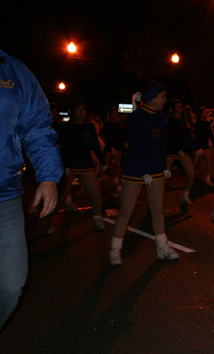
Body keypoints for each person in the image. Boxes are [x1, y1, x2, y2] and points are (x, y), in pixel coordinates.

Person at [0, 49, 62, 330]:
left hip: (5, 196)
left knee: (10, 286)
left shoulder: (13, 70)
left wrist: (48, 177)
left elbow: (37, 128)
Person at [109, 82, 179, 265]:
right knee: (126, 212)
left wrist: (163, 166)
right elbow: (135, 148)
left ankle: (162, 247)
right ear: (153, 97)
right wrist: (143, 171)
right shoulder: (135, 117)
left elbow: (160, 144)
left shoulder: (161, 117)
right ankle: (115, 250)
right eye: (163, 96)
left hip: (155, 169)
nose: (165, 100)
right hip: (135, 169)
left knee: (157, 211)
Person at [57, 101, 106, 231]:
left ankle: (97, 219)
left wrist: (103, 161)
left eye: (83, 109)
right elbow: (63, 147)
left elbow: (95, 144)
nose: (82, 111)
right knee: (61, 195)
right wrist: (65, 164)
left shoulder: (89, 126)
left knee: (96, 195)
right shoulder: (67, 127)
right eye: (78, 109)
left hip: (86, 164)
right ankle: (51, 222)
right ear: (72, 112)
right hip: (70, 165)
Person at [165, 99, 197, 205]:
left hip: (183, 151)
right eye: (177, 106)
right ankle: (156, 197)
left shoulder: (183, 121)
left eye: (181, 106)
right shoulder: (170, 121)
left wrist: (196, 147)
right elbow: (172, 137)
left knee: (191, 174)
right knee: (161, 176)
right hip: (171, 151)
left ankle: (185, 195)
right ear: (173, 108)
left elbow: (187, 135)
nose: (180, 108)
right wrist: (178, 149)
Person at [103, 106, 125, 197]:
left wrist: (125, 145)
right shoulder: (107, 124)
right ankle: (97, 181)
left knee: (117, 166)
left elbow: (121, 136)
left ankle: (115, 183)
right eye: (113, 114)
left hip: (118, 147)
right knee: (104, 165)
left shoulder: (118, 125)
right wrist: (111, 147)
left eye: (116, 114)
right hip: (109, 148)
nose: (115, 115)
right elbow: (107, 137)